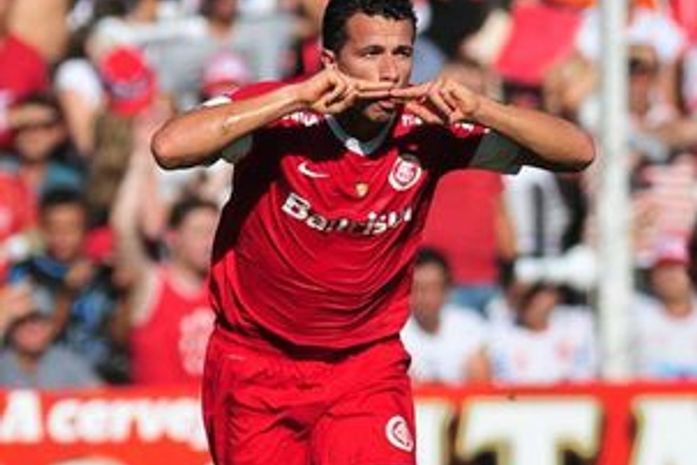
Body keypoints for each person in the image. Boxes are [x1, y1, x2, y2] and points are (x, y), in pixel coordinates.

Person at [151, 0, 595, 463]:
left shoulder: (428, 128)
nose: (389, 72)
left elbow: (577, 152)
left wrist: (483, 108)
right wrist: (295, 96)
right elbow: (169, 147)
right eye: (371, 53)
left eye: (402, 54)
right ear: (330, 61)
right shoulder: (279, 115)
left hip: (363, 368)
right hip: (256, 365)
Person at [401, 247, 490, 385]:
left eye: (434, 288)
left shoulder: (470, 325)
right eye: (419, 289)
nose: (427, 298)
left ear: (447, 290)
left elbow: (481, 383)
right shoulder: (395, 333)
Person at [631, 237, 697, 379]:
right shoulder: (636, 314)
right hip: (647, 392)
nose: (669, 276)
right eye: (662, 269)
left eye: (676, 269)